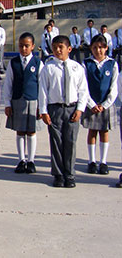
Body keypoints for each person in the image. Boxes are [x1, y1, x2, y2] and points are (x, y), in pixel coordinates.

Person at [39, 35, 88, 188]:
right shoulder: (48, 68)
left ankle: (70, 174)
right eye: (55, 48)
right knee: (56, 142)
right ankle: (58, 174)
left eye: (61, 47)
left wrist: (80, 109)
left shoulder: (77, 68)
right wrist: (44, 111)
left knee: (70, 142)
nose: (58, 50)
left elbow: (83, 91)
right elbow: (43, 91)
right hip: (55, 109)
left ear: (69, 49)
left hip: (72, 109)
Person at [3, 32, 43, 174]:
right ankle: (21, 160)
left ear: (32, 46)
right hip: (17, 100)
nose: (23, 49)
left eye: (27, 46)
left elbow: (42, 86)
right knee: (20, 130)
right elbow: (8, 83)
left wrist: (41, 106)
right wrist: (7, 103)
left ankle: (31, 160)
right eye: (21, 46)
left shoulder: (38, 63)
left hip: (33, 100)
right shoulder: (13, 63)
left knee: (31, 131)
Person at [81, 35, 118, 175]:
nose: (98, 50)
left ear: (106, 48)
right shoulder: (87, 63)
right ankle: (92, 161)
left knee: (104, 131)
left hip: (105, 105)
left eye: (101, 47)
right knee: (92, 131)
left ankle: (103, 161)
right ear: (91, 48)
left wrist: (105, 104)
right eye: (95, 47)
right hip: (91, 104)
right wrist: (91, 104)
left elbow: (114, 88)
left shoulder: (112, 64)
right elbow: (83, 86)